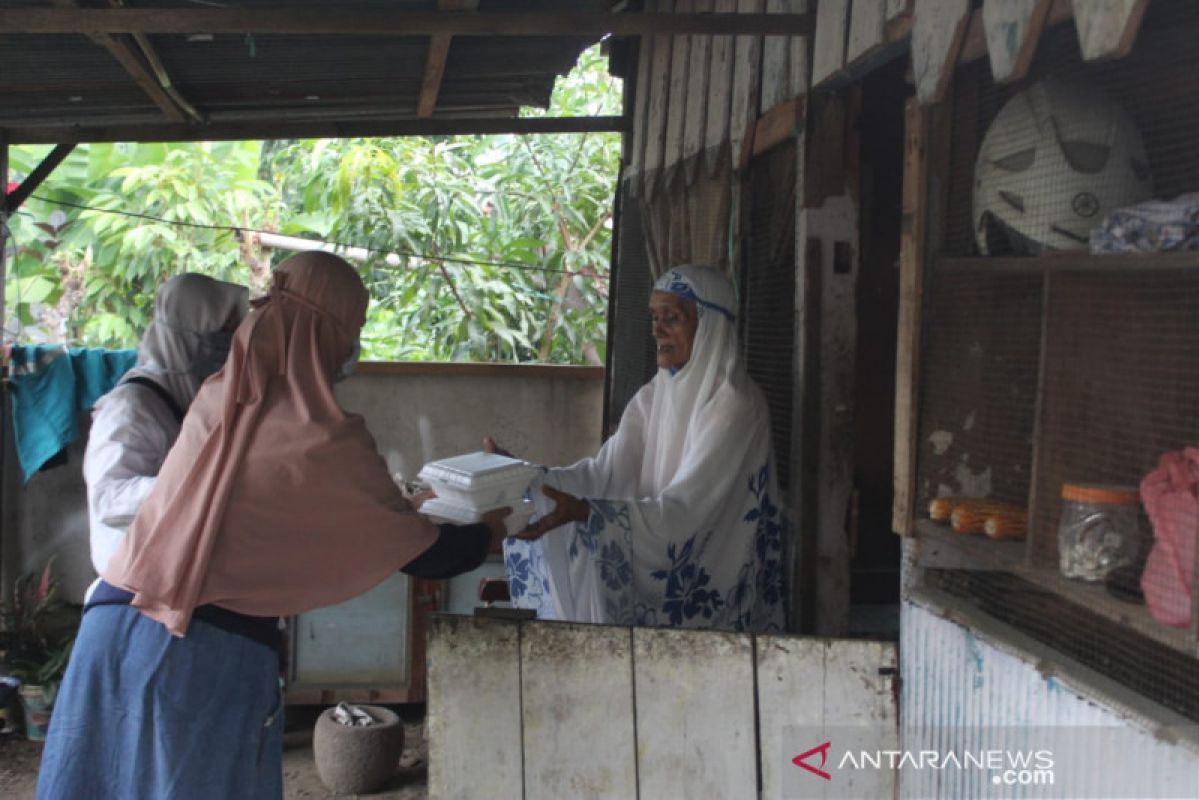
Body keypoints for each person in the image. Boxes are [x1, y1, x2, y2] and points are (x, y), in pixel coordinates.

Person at [37, 252, 508, 800]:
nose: (351, 348)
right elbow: (424, 554)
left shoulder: (220, 398)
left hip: (114, 629)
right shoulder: (320, 434)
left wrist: (405, 513)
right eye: (351, 329)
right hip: (197, 654)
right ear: (328, 330)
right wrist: (488, 533)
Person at [496, 264, 785, 632]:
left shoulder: (735, 406)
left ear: (710, 325)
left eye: (672, 318)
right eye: (654, 318)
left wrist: (591, 515)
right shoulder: (653, 395)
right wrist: (526, 478)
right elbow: (603, 474)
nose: (658, 330)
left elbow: (687, 514)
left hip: (721, 602)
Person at [83, 272, 248, 591]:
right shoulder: (132, 405)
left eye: (233, 330)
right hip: (129, 591)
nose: (228, 342)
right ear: (187, 332)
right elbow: (108, 498)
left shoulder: (193, 399)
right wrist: (202, 482)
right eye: (221, 330)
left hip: (169, 583)